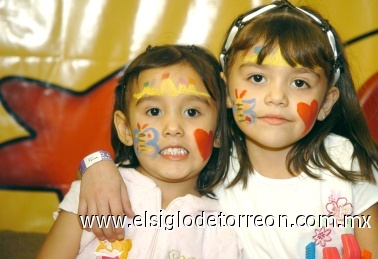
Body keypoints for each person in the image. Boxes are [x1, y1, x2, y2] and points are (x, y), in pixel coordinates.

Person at [76, 0, 378, 258]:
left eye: (300, 82)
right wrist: (97, 164)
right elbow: (151, 166)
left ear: (328, 102)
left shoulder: (343, 161)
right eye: (257, 78)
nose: (277, 97)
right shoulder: (215, 159)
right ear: (227, 93)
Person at [37, 44, 242, 259]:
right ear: (125, 129)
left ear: (219, 132)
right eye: (154, 111)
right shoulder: (94, 194)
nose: (173, 128)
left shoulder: (226, 227)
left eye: (192, 111)